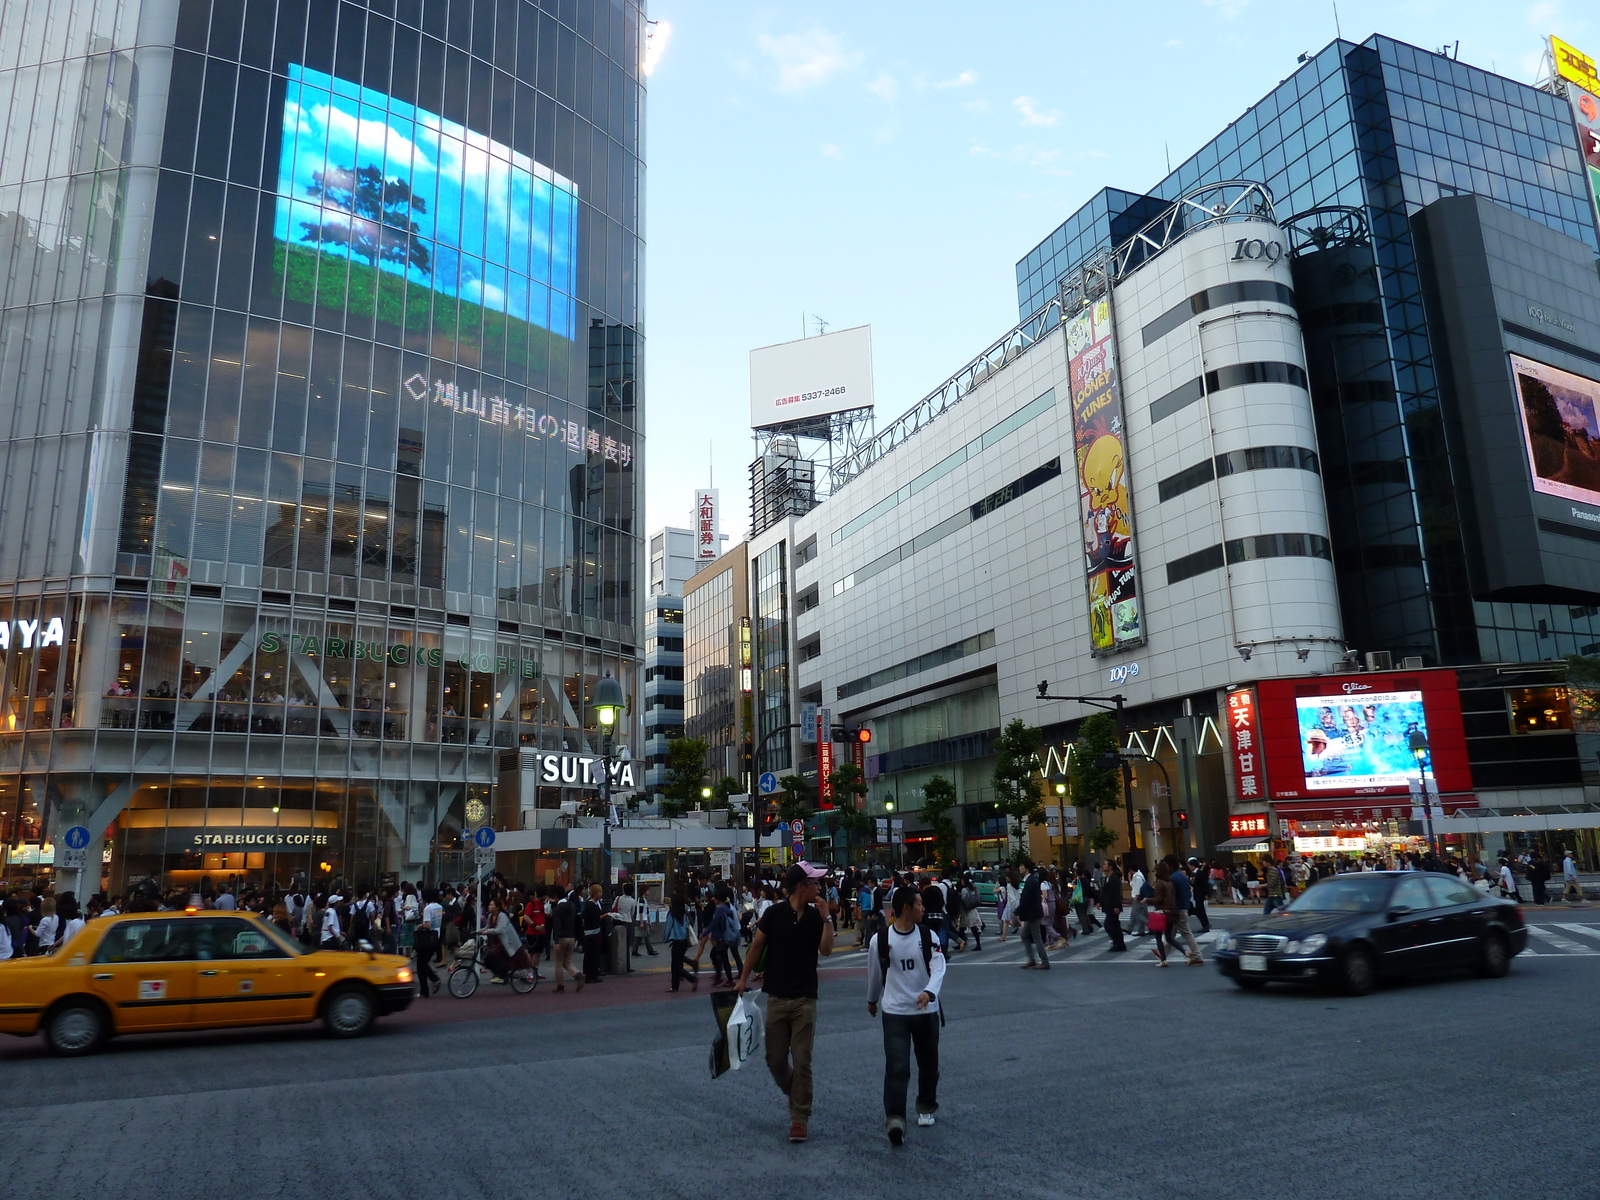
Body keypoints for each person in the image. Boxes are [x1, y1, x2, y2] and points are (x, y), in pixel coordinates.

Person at [734, 861, 835, 1144]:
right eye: (814, 883)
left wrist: (827, 919)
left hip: (805, 998)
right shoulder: (775, 914)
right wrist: (743, 978)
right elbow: (757, 946)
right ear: (801, 887)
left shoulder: (816, 918)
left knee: (802, 1061)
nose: (819, 887)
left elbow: (826, 951)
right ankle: (797, 1093)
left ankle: (799, 1118)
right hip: (776, 997)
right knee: (775, 1059)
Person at [866, 886, 946, 1146]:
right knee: (897, 1066)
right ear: (906, 909)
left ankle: (925, 1107)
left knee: (928, 1065)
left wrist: (929, 992)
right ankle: (895, 1118)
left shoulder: (928, 935)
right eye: (919, 904)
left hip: (926, 1011)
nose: (923, 908)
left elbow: (938, 967)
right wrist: (872, 999)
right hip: (895, 1011)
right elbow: (875, 973)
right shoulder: (880, 939)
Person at [1164, 856, 1204, 966]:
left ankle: (1197, 955)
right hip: (1182, 906)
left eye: (1166, 865)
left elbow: (1171, 895)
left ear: (1170, 865)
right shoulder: (1181, 876)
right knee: (1171, 933)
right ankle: (1163, 953)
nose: (1165, 867)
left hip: (1177, 908)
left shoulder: (1173, 878)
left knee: (1185, 932)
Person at [1014, 860, 1049, 970]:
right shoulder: (1030, 880)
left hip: (1032, 913)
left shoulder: (1030, 880)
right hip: (1032, 913)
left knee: (1036, 936)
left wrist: (1017, 912)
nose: (1020, 868)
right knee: (1025, 935)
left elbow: (1027, 899)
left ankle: (1044, 961)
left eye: (1021, 865)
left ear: (1027, 868)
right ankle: (1032, 960)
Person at [664, 894, 697, 992]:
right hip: (684, 942)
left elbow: (668, 928)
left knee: (676, 966)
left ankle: (691, 979)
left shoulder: (672, 914)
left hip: (676, 941)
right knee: (677, 963)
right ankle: (674, 986)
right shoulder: (685, 913)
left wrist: (665, 939)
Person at [551, 886, 581, 992]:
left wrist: (556, 941)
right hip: (571, 936)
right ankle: (577, 974)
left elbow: (557, 925)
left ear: (555, 896)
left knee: (558, 963)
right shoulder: (572, 906)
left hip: (562, 937)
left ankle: (560, 986)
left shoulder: (557, 909)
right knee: (567, 961)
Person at [1149, 863, 1178, 967]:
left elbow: (1159, 899)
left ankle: (1163, 959)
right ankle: (1185, 952)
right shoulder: (1169, 882)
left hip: (1162, 912)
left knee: (1158, 937)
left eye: (1155, 871)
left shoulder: (1159, 883)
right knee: (1169, 937)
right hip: (1171, 911)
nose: (1154, 873)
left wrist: (1147, 900)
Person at [581, 884, 606, 984]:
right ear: (594, 893)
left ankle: (594, 973)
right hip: (591, 932)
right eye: (599, 892)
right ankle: (589, 975)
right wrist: (605, 915)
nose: (601, 894)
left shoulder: (595, 903)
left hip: (595, 930)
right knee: (590, 954)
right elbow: (594, 918)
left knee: (594, 953)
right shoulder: (590, 904)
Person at [1099, 862, 1126, 951]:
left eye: (1105, 864)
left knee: (1108, 925)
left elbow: (1115, 893)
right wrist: (1100, 902)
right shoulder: (1108, 877)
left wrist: (1116, 906)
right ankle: (1120, 944)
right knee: (1115, 925)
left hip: (1112, 906)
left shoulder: (1114, 878)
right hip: (1109, 905)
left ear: (1110, 867)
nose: (1103, 866)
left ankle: (1117, 943)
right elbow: (1105, 892)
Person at [612, 883, 638, 969]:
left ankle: (616, 962)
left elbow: (613, 908)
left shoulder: (618, 898)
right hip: (628, 922)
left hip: (618, 921)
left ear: (624, 890)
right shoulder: (633, 901)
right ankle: (627, 965)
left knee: (617, 943)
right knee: (627, 945)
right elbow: (633, 913)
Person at [1188, 857, 1213, 934]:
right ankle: (1205, 924)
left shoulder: (1200, 873)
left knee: (1200, 910)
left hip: (1200, 894)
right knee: (1199, 910)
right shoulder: (1193, 873)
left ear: (1193, 865)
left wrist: (1207, 894)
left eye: (1189, 865)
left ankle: (1205, 925)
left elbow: (1205, 884)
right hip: (1195, 894)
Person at [1127, 861, 1150, 936]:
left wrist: (1136, 896)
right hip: (1141, 897)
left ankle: (1150, 926)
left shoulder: (1138, 877)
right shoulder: (1138, 875)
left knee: (1136, 914)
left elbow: (1138, 887)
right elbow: (1133, 885)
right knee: (1143, 913)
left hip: (1139, 898)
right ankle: (1139, 930)